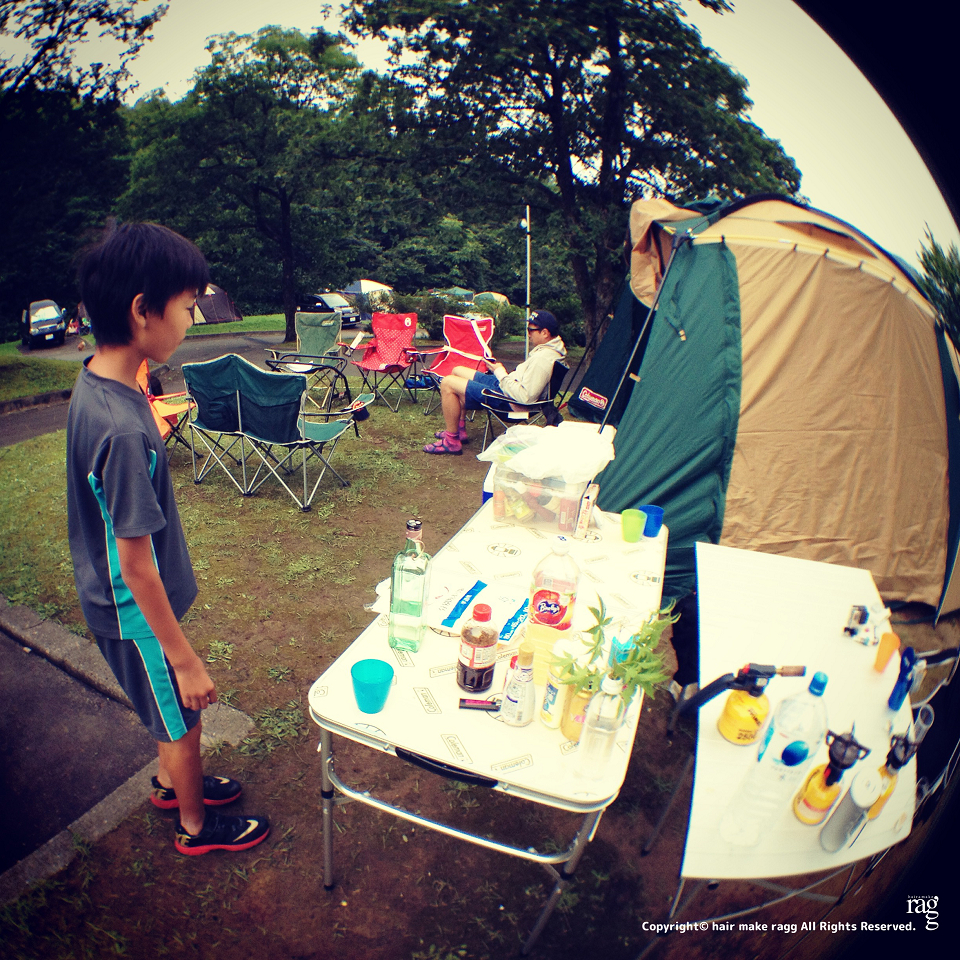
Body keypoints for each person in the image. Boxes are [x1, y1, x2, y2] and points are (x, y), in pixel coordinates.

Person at [66, 222, 269, 856]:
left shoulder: (103, 380)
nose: (191, 319)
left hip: (128, 608)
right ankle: (195, 826)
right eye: (186, 306)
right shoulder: (121, 429)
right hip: (135, 612)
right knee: (182, 715)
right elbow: (135, 565)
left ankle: (169, 782)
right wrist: (184, 659)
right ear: (142, 310)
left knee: (165, 709)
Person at [423, 309, 567, 454]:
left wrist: (500, 373)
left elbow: (525, 397)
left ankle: (452, 441)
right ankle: (459, 430)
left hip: (509, 401)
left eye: (531, 330)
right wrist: (500, 373)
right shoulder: (548, 351)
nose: (528, 334)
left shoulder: (542, 360)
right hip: (506, 386)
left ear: (545, 333)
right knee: (457, 370)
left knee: (448, 383)